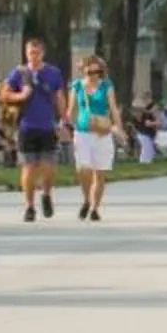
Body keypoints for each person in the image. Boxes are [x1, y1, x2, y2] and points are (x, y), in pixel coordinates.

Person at [0, 35, 68, 224]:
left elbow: (60, 96)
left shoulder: (53, 73)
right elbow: (4, 93)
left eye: (37, 53)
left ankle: (46, 195)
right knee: (28, 168)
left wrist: (64, 119)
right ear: (26, 53)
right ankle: (29, 206)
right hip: (26, 126)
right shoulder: (19, 73)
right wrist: (21, 94)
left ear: (43, 53)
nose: (33, 56)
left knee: (48, 167)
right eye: (30, 53)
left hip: (47, 125)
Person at [70, 53, 120, 222]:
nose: (94, 75)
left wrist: (118, 127)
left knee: (99, 172)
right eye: (90, 72)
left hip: (102, 133)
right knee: (83, 169)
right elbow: (72, 110)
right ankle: (86, 198)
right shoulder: (77, 86)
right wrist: (65, 124)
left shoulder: (106, 85)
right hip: (82, 132)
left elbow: (113, 108)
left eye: (97, 72)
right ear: (83, 71)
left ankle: (94, 208)